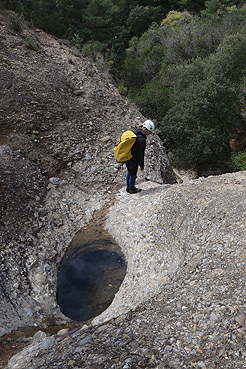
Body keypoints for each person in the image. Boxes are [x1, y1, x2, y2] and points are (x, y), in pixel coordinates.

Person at [126, 119, 155, 194]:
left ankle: (128, 187)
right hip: (133, 159)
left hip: (127, 155)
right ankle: (131, 188)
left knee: (129, 171)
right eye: (150, 132)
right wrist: (142, 166)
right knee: (133, 174)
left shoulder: (135, 132)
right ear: (146, 129)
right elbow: (140, 154)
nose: (150, 133)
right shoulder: (142, 140)